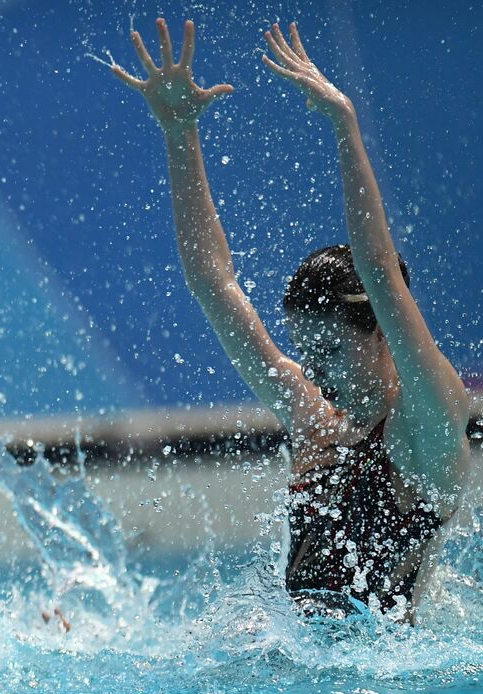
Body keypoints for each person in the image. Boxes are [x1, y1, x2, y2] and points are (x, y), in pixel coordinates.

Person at [112, 19, 471, 619]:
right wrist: (180, 133)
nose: (314, 371)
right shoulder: (314, 419)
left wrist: (344, 127)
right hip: (298, 674)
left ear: (381, 330)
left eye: (330, 351)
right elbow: (214, 285)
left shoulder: (427, 423)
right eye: (308, 352)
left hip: (386, 687)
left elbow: (380, 270)